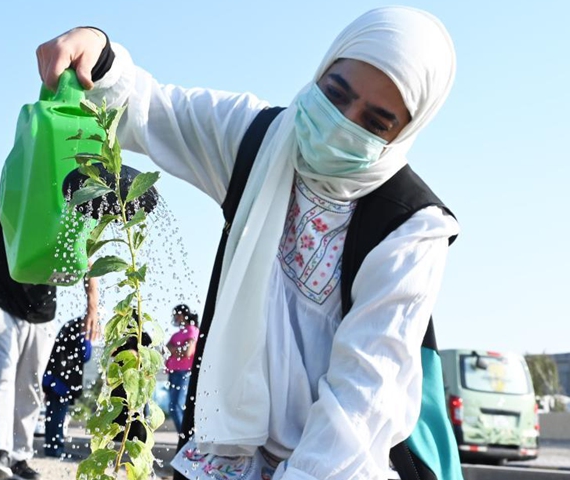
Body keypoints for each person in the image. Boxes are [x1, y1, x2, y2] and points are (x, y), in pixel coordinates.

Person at [36, 6, 462, 480]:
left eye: (375, 122)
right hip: (230, 451)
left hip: (337, 464)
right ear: (322, 71)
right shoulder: (260, 139)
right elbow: (150, 109)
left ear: (405, 132)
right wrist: (96, 50)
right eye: (336, 94)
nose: (343, 122)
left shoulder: (411, 228)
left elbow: (361, 397)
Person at [0, 199, 99, 480]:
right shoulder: (7, 202)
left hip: (42, 312)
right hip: (1, 303)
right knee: (1, 377)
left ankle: (19, 458)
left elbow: (87, 260)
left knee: (30, 386)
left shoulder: (65, 209)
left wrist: (92, 308)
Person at [41, 316, 93, 459]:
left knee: (51, 414)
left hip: (53, 377)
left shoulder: (68, 326)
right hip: (62, 381)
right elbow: (85, 354)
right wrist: (88, 339)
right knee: (58, 415)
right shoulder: (82, 328)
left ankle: (50, 447)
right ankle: (56, 448)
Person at [165, 304, 199, 433]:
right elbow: (166, 349)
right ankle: (184, 435)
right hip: (173, 373)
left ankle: (186, 436)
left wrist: (174, 350)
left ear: (182, 315)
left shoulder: (192, 330)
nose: (175, 317)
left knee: (177, 406)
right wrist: (178, 350)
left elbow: (188, 352)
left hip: (184, 373)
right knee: (174, 406)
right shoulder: (177, 334)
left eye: (176, 314)